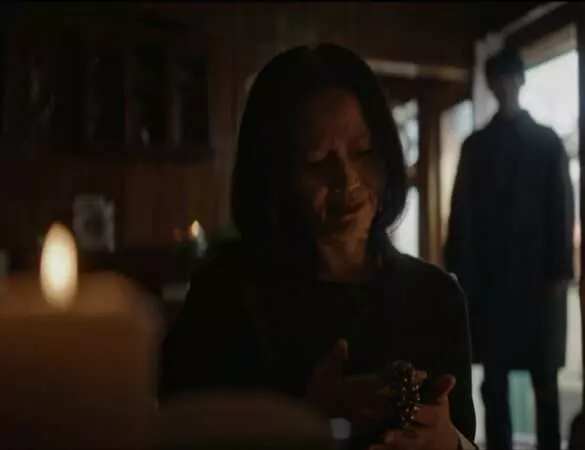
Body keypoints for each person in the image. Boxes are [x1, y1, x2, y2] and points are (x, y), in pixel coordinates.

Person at [158, 43, 476, 450]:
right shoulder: (225, 295)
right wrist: (300, 419)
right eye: (316, 161)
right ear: (274, 175)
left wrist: (447, 440)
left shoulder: (435, 296)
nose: (348, 180)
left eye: (363, 151)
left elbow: (463, 434)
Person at [444, 46, 574, 450]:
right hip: (491, 282)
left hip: (538, 280)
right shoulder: (475, 147)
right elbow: (461, 215)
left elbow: (561, 209)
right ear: (490, 85)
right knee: (494, 384)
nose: (503, 86)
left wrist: (559, 271)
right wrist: (459, 277)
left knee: (544, 381)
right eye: (496, 79)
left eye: (509, 78)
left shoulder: (547, 143)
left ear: (520, 81)